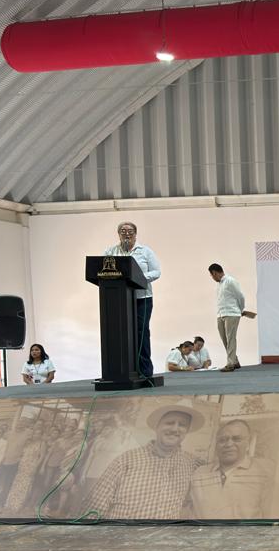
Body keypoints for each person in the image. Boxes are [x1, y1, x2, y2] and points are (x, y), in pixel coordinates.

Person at [86, 404, 206, 519]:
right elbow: (94, 509)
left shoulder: (192, 464)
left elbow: (215, 471)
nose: (175, 429)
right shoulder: (126, 460)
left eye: (182, 425)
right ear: (157, 426)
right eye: (169, 423)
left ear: (187, 431)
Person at [104, 221, 160, 377]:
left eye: (130, 231)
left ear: (135, 234)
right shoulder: (110, 251)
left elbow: (156, 272)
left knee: (141, 332)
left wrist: (137, 278)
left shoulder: (145, 251)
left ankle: (144, 371)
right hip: (119, 300)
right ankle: (121, 371)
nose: (126, 234)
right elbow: (103, 270)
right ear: (118, 234)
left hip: (142, 298)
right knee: (120, 333)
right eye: (123, 231)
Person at [189, 419, 271, 518]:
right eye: (222, 440)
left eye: (237, 439)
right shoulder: (199, 474)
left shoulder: (262, 476)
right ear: (216, 445)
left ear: (248, 444)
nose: (228, 444)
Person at [208, 264, 254, 372]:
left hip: (232, 313)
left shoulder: (230, 281)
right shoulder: (219, 284)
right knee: (225, 339)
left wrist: (240, 309)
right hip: (221, 314)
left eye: (211, 275)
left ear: (214, 273)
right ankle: (235, 361)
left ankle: (230, 364)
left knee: (231, 339)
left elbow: (240, 296)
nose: (212, 277)